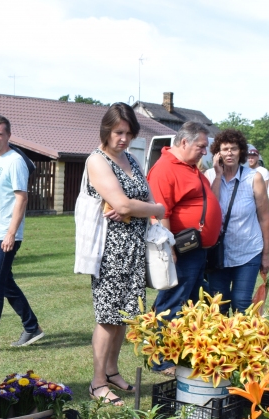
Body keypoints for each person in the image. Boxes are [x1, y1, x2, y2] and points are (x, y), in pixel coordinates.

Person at [82, 104, 165, 403]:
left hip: (134, 248)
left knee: (124, 316)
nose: (124, 138)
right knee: (107, 317)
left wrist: (136, 207)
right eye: (119, 132)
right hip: (110, 250)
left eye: (129, 133)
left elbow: (139, 201)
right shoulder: (98, 160)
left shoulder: (131, 158)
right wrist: (151, 209)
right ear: (106, 130)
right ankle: (97, 381)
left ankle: (112, 371)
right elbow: (128, 204)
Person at [147, 121, 223, 327]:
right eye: (201, 146)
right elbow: (160, 212)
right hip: (181, 250)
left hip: (196, 249)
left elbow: (209, 201)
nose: (205, 152)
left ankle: (180, 352)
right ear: (183, 142)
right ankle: (162, 354)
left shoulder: (190, 168)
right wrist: (169, 248)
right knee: (174, 302)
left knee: (191, 302)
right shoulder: (165, 168)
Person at [0, 114, 42, 352]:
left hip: (6, 235)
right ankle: (32, 326)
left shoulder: (15, 161)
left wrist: (11, 233)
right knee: (5, 284)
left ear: (8, 135)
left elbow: (22, 199)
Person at [206, 129, 269, 315]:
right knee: (219, 305)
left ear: (241, 151)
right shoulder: (210, 176)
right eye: (224, 149)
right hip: (218, 253)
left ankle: (242, 343)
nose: (229, 153)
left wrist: (266, 254)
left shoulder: (254, 178)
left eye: (233, 149)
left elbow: (265, 218)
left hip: (248, 251)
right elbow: (211, 208)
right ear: (217, 153)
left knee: (241, 303)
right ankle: (221, 343)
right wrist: (218, 176)